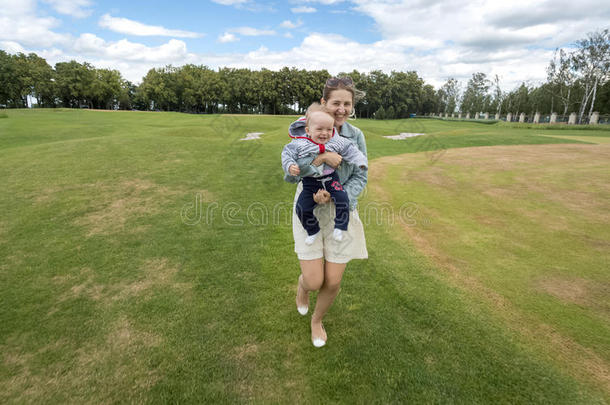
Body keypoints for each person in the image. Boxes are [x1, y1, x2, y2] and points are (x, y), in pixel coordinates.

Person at [284, 77, 368, 347]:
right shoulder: (306, 128)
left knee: (332, 281)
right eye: (336, 103)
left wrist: (334, 194)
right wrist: (321, 159)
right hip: (309, 205)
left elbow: (360, 177)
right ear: (324, 103)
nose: (341, 109)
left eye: (347, 103)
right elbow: (292, 170)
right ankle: (302, 287)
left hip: (340, 209)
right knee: (313, 279)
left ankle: (316, 320)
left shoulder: (355, 137)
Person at [281, 103, 368, 246]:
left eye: (329, 129)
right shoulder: (300, 143)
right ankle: (312, 229)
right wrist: (290, 166)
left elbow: (350, 150)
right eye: (319, 129)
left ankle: (340, 227)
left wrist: (361, 161)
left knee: (342, 198)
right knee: (301, 208)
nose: (325, 133)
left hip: (330, 179)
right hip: (310, 182)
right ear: (308, 130)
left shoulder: (336, 140)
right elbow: (287, 154)